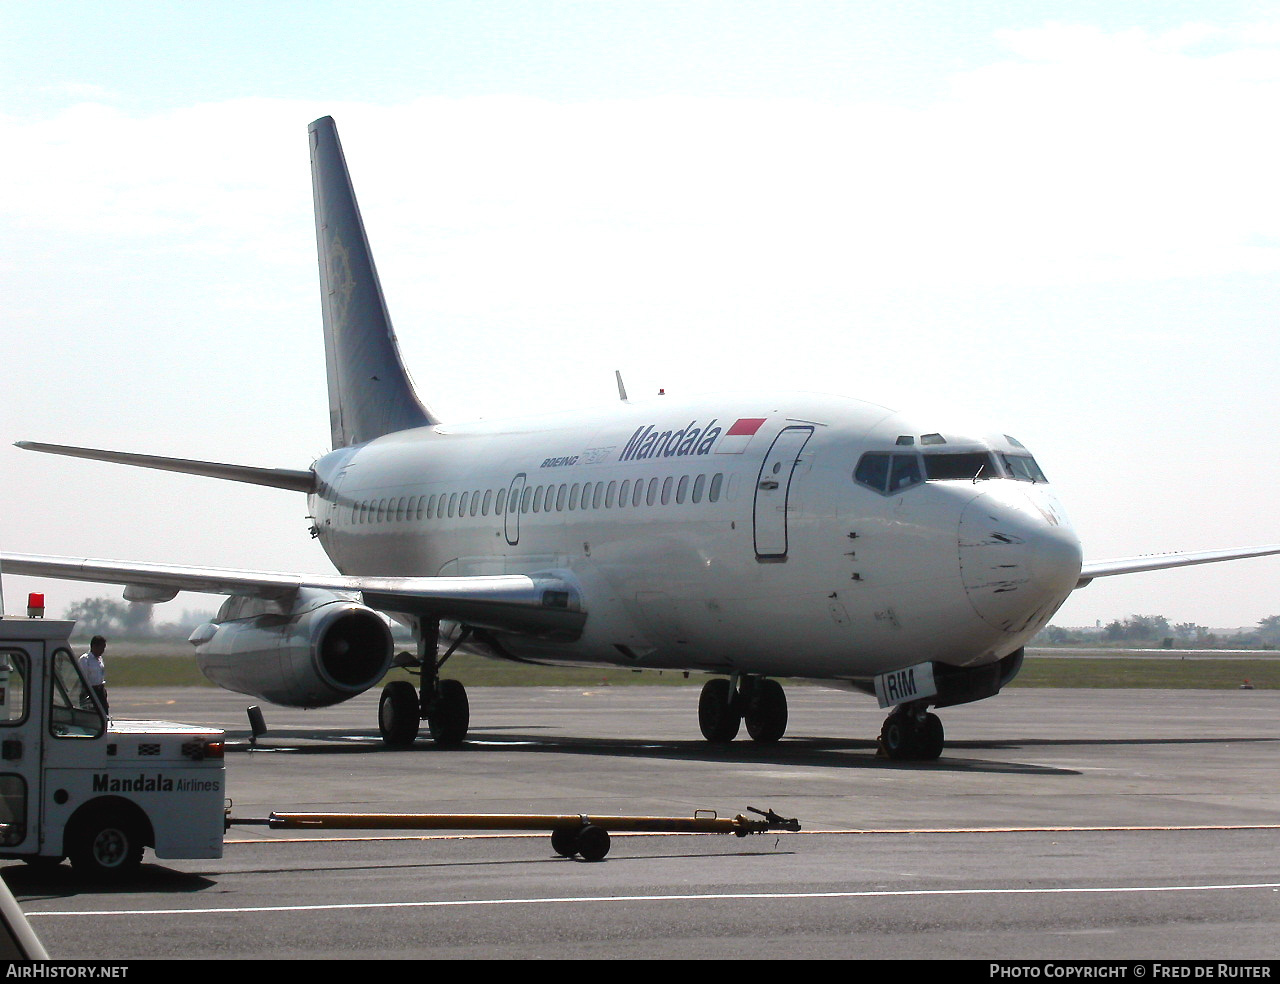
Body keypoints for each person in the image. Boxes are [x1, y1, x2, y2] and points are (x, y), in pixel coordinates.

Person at [79, 635, 109, 715]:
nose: (103, 651)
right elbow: (83, 678)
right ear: (94, 646)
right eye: (102, 648)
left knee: (104, 712)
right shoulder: (85, 659)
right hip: (91, 690)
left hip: (100, 690)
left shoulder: (99, 659)